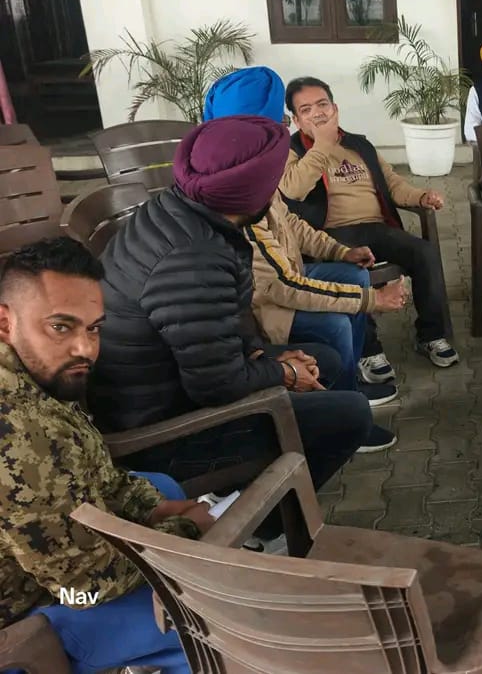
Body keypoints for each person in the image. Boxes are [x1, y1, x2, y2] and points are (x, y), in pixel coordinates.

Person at [90, 115, 396, 504]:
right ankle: (263, 521)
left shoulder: (182, 208)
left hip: (175, 382)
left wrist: (258, 354)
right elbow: (216, 384)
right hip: (166, 432)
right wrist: (284, 372)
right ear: (252, 193)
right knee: (350, 414)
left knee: (326, 361)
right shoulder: (194, 260)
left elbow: (221, 325)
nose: (277, 191)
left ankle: (272, 480)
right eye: (272, 182)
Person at [0, 237, 213, 674]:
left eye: (93, 328)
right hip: (22, 621)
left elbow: (91, 471)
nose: (86, 348)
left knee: (163, 489)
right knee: (212, 616)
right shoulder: (18, 430)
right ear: (5, 323)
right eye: (61, 327)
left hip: (46, 567)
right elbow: (85, 586)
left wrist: (154, 511)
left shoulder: (33, 375)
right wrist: (185, 532)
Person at [203, 66, 408, 401]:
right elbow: (281, 285)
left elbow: (291, 224)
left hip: (284, 274)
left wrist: (341, 251)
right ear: (257, 130)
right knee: (337, 321)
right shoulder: (235, 193)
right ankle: (344, 402)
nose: (285, 130)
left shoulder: (253, 168)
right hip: (261, 306)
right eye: (282, 121)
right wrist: (374, 300)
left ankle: (352, 372)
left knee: (354, 273)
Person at [278, 76, 458, 374]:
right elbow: (293, 189)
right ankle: (369, 350)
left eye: (323, 105)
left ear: (335, 108)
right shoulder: (291, 151)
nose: (318, 113)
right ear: (296, 120)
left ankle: (431, 335)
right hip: (330, 236)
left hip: (376, 228)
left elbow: (392, 183)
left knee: (423, 252)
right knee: (350, 270)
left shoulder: (359, 144)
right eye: (306, 110)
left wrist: (421, 196)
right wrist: (322, 145)